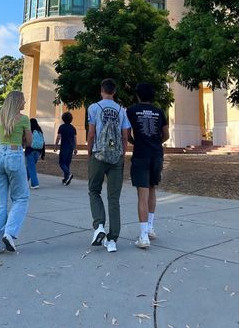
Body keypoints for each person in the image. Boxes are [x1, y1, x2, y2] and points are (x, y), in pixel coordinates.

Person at [87, 78, 130, 253]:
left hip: (99, 154)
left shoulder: (93, 108)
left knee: (94, 190)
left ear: (101, 90)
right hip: (116, 157)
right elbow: (126, 136)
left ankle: (99, 226)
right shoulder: (122, 110)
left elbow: (91, 134)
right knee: (114, 199)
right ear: (114, 91)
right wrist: (122, 154)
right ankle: (112, 240)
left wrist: (90, 154)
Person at [127, 83, 169, 249]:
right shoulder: (160, 112)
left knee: (142, 194)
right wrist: (156, 143)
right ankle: (150, 227)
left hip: (141, 155)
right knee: (152, 189)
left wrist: (135, 142)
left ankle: (143, 235)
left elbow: (126, 133)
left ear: (137, 95)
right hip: (157, 154)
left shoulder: (131, 111)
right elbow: (166, 134)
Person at [0, 90, 32, 255]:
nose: (25, 103)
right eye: (23, 100)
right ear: (17, 102)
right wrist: (21, 137)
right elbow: (29, 142)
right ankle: (9, 232)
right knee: (21, 197)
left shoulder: (0, 118)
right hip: (14, 155)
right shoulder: (23, 119)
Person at [54, 112, 77, 185]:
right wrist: (75, 148)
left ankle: (68, 174)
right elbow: (75, 139)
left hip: (64, 147)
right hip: (70, 148)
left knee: (61, 163)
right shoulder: (73, 128)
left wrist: (55, 145)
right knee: (67, 163)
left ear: (63, 119)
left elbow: (58, 137)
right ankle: (66, 179)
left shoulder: (62, 127)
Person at [25, 118, 45, 189]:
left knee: (31, 167)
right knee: (29, 167)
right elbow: (43, 142)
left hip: (30, 150)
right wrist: (43, 154)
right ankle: (24, 181)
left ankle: (35, 183)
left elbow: (27, 141)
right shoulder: (40, 131)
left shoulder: (30, 130)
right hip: (38, 151)